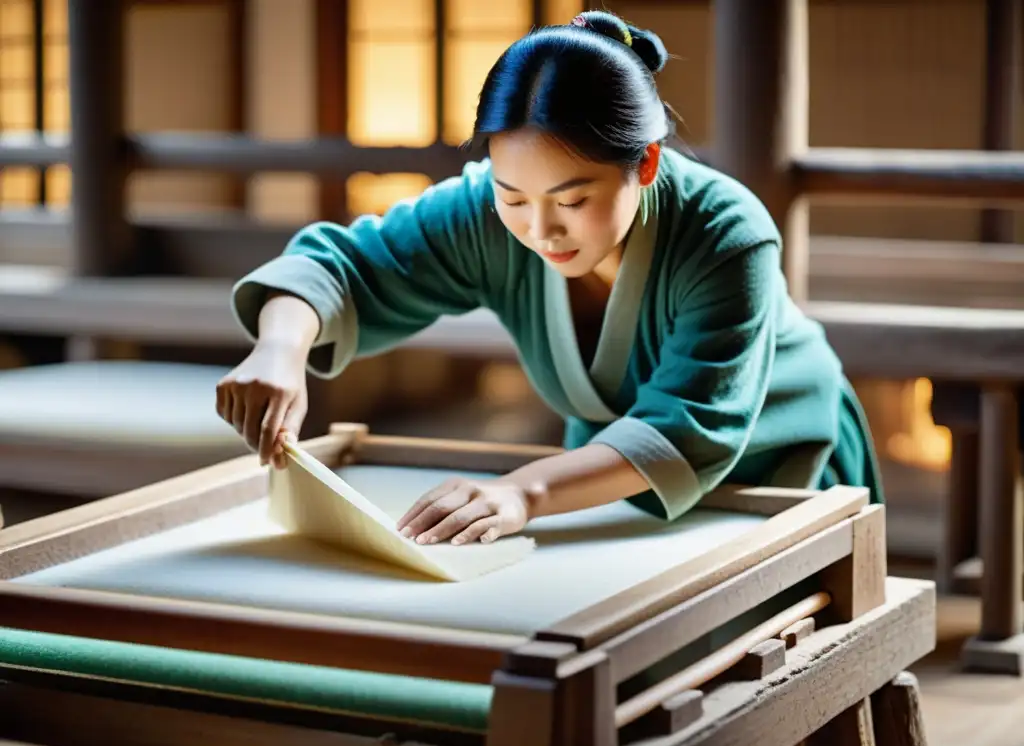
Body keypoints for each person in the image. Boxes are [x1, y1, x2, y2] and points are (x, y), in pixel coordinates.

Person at [218, 10, 884, 548]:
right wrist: (279, 349)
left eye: (572, 199)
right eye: (514, 197)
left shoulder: (725, 231)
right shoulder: (481, 211)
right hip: (603, 473)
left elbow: (688, 424)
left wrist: (525, 491)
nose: (540, 229)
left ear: (646, 163)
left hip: (778, 463)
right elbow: (342, 266)